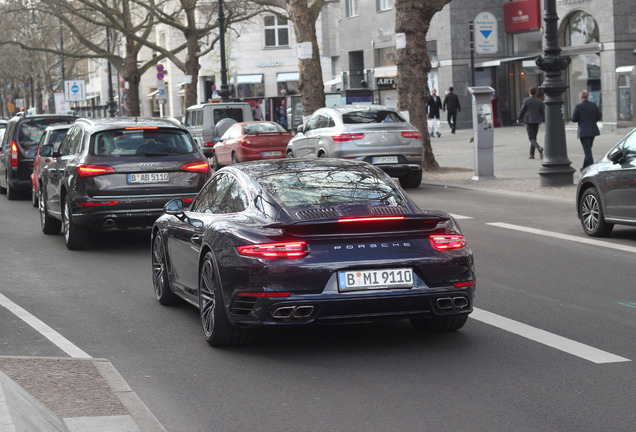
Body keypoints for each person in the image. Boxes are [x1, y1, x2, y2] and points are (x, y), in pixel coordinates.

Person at [572, 89, 601, 171]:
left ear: (581, 97)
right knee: (588, 150)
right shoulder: (593, 105)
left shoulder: (578, 106)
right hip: (593, 131)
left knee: (587, 151)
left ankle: (592, 168)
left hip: (584, 132)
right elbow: (598, 117)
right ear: (587, 97)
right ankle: (584, 168)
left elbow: (573, 119)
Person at [517, 86, 545, 159]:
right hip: (537, 121)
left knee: (531, 138)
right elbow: (543, 112)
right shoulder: (540, 101)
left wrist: (519, 118)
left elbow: (522, 110)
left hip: (529, 121)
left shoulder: (526, 100)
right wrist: (543, 119)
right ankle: (531, 154)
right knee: (534, 137)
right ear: (536, 92)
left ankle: (539, 148)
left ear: (529, 92)